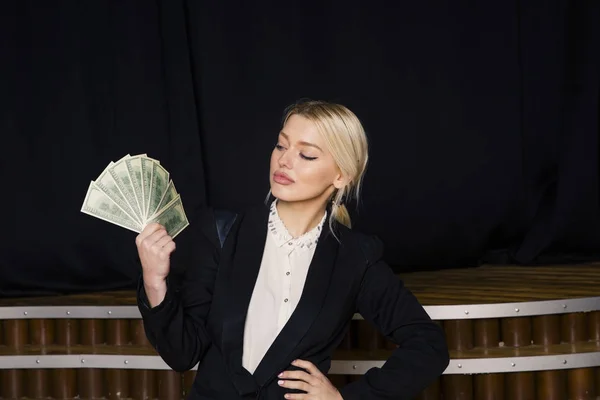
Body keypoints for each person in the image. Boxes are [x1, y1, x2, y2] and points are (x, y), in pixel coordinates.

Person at [135, 100, 449, 399]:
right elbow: (183, 353)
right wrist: (154, 280)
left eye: (307, 155)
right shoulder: (221, 233)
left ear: (341, 176)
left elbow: (428, 345)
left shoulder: (356, 257)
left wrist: (346, 398)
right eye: (281, 146)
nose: (284, 160)